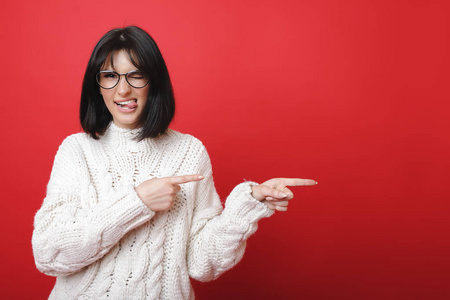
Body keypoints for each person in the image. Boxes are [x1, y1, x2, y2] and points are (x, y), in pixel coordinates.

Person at [32, 26, 317, 300]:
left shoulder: (189, 152)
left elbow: (202, 264)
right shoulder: (77, 151)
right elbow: (49, 254)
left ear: (154, 80)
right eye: (109, 76)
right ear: (98, 85)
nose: (122, 90)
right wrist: (137, 202)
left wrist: (246, 206)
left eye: (136, 75)